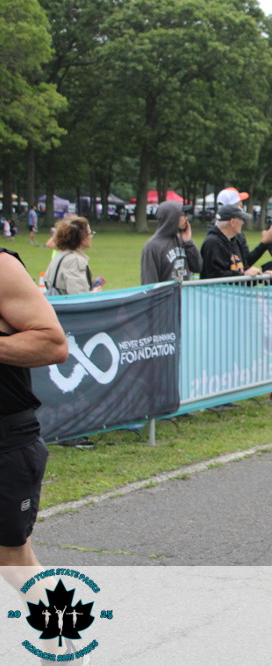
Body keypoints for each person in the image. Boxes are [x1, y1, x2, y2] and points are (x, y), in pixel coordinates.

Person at [0, 247, 70, 656]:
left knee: (12, 561)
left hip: (6, 439)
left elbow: (53, 344)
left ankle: (66, 642)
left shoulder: (2, 268)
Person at [140, 201, 202, 284]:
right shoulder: (153, 246)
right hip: (166, 292)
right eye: (182, 214)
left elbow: (198, 267)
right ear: (172, 218)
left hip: (184, 292)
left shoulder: (182, 241)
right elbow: (149, 281)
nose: (186, 218)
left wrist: (188, 242)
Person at [199, 204, 266, 279]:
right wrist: (243, 274)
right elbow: (214, 275)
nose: (243, 222)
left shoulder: (236, 240)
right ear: (232, 222)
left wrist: (262, 275)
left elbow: (244, 267)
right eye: (241, 219)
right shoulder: (213, 242)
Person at [43, 216, 102, 295]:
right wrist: (94, 293)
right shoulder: (74, 260)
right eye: (90, 233)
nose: (91, 236)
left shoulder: (61, 254)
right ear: (82, 237)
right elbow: (79, 295)